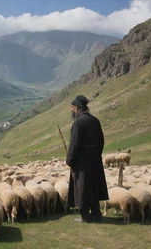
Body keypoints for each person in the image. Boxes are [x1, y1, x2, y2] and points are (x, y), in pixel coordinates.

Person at [66, 95, 108, 223]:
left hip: (82, 161)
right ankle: (96, 213)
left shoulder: (78, 123)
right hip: (95, 159)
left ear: (77, 108)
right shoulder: (95, 121)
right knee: (94, 186)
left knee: (82, 187)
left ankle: (85, 216)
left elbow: (75, 144)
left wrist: (70, 160)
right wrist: (96, 155)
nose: (72, 111)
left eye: (73, 108)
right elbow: (101, 141)